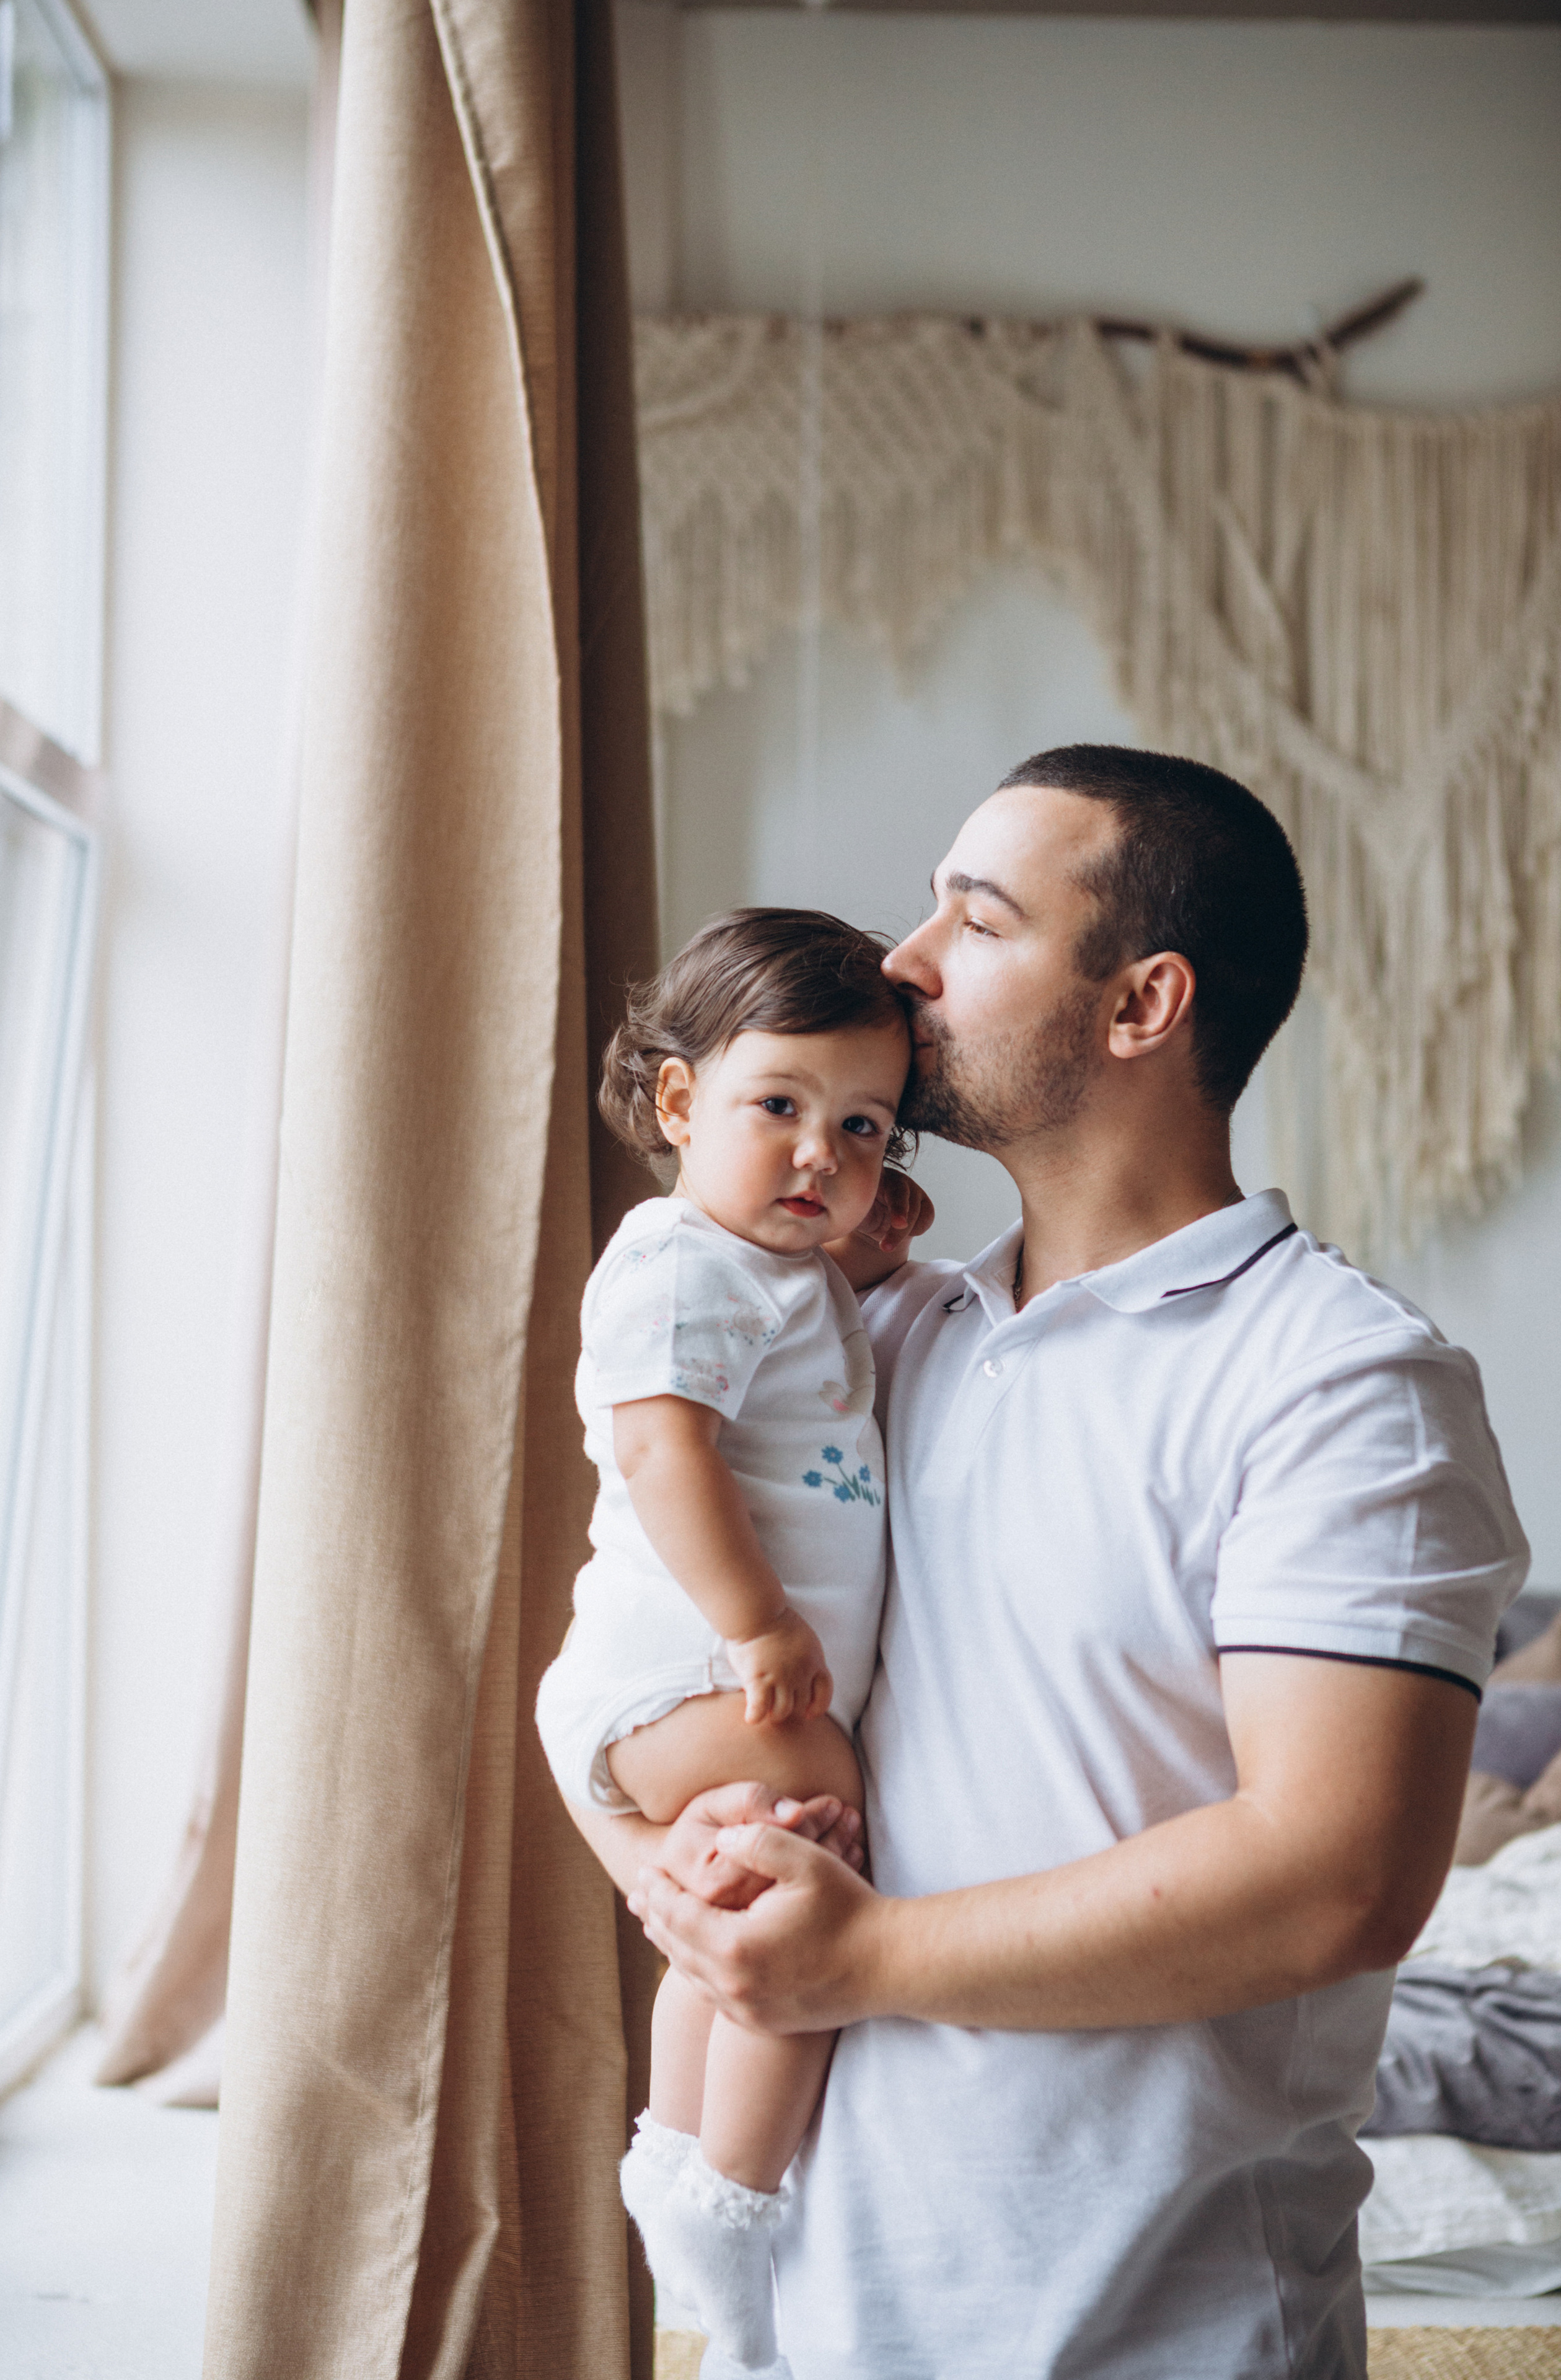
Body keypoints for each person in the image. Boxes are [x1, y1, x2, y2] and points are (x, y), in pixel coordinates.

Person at [578, 746, 1529, 2379]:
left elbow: (1341, 1877)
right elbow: (643, 1644)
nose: (903, 962)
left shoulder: (1341, 1382)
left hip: (1150, 2335)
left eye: (977, 919)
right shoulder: (875, 1338)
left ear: (1142, 1004)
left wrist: (859, 1960)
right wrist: (660, 1858)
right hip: (810, 2328)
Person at [535, 907, 930, 2380]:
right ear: (678, 1101)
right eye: (778, 1107)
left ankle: (676, 2156)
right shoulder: (678, 1263)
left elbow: (794, 1393)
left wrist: (865, 1262)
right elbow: (665, 1451)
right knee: (803, 1905)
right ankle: (738, 2210)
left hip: (682, 1684)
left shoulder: (767, 1267)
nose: (820, 1155)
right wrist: (756, 1620)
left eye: (863, 1128)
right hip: (694, 1669)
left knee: (725, 1925)